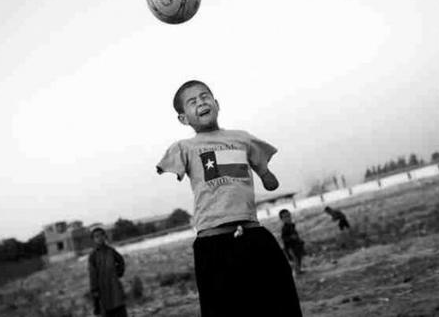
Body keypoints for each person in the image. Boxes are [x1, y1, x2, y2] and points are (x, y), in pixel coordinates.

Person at [156, 80, 302, 317]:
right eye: (192, 102)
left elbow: (266, 175)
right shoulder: (184, 148)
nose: (201, 102)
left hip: (254, 236)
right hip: (214, 245)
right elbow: (169, 168)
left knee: (280, 304)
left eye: (205, 96)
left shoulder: (242, 139)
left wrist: (265, 175)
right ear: (184, 118)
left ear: (217, 103)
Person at [88, 227, 128, 317]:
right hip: (103, 290)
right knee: (106, 311)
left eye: (101, 235)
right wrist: (94, 291)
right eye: (96, 236)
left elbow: (121, 261)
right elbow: (92, 275)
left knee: (120, 309)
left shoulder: (111, 251)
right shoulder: (93, 256)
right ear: (93, 240)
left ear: (105, 236)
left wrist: (118, 273)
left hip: (114, 287)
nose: (99, 238)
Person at [278, 209, 305, 276]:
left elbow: (295, 234)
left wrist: (299, 240)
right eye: (285, 217)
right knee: (295, 259)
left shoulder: (292, 225)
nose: (288, 218)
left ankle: (299, 270)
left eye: (289, 216)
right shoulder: (284, 228)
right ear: (282, 219)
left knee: (299, 257)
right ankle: (296, 272)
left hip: (296, 245)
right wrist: (290, 238)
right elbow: (284, 238)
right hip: (290, 247)